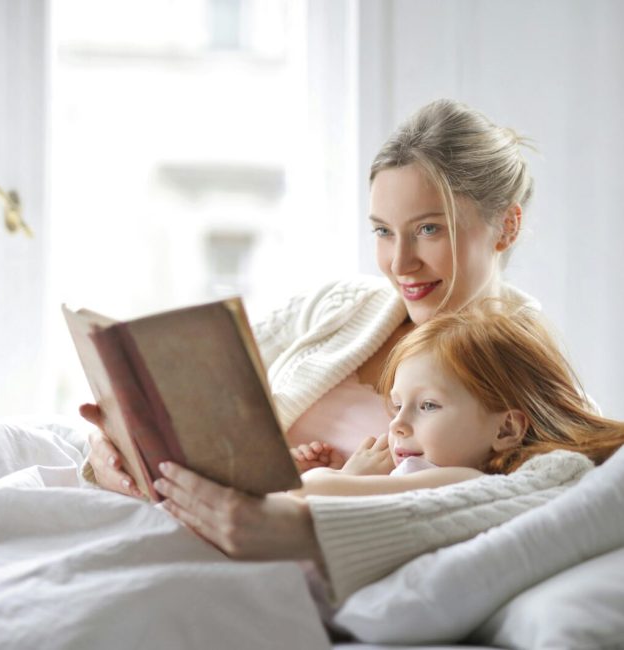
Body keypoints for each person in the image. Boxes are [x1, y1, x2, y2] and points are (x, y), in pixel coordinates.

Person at [77, 98, 607, 603]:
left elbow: (564, 495)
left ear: (506, 227)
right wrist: (111, 448)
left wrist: (304, 529)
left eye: (428, 229)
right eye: (382, 232)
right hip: (168, 526)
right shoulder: (339, 304)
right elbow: (179, 402)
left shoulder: (525, 365)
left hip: (270, 577)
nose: (400, 263)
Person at [289, 302, 624, 499]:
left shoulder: (463, 481)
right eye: (397, 405)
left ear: (506, 429)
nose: (397, 425)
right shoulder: (422, 473)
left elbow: (309, 492)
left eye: (428, 406)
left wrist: (350, 475)